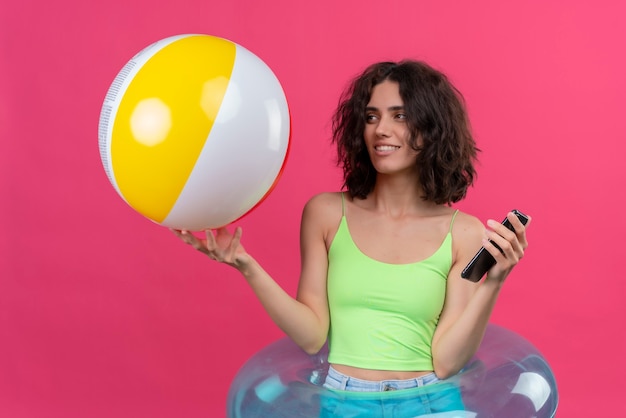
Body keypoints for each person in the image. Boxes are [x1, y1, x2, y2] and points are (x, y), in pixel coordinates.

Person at [171, 60, 530, 416]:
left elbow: (448, 361)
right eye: (371, 117)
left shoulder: (463, 232)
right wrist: (245, 265)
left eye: (399, 116)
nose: (380, 130)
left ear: (431, 128)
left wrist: (494, 280)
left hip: (428, 402)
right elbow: (312, 334)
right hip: (344, 401)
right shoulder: (326, 214)